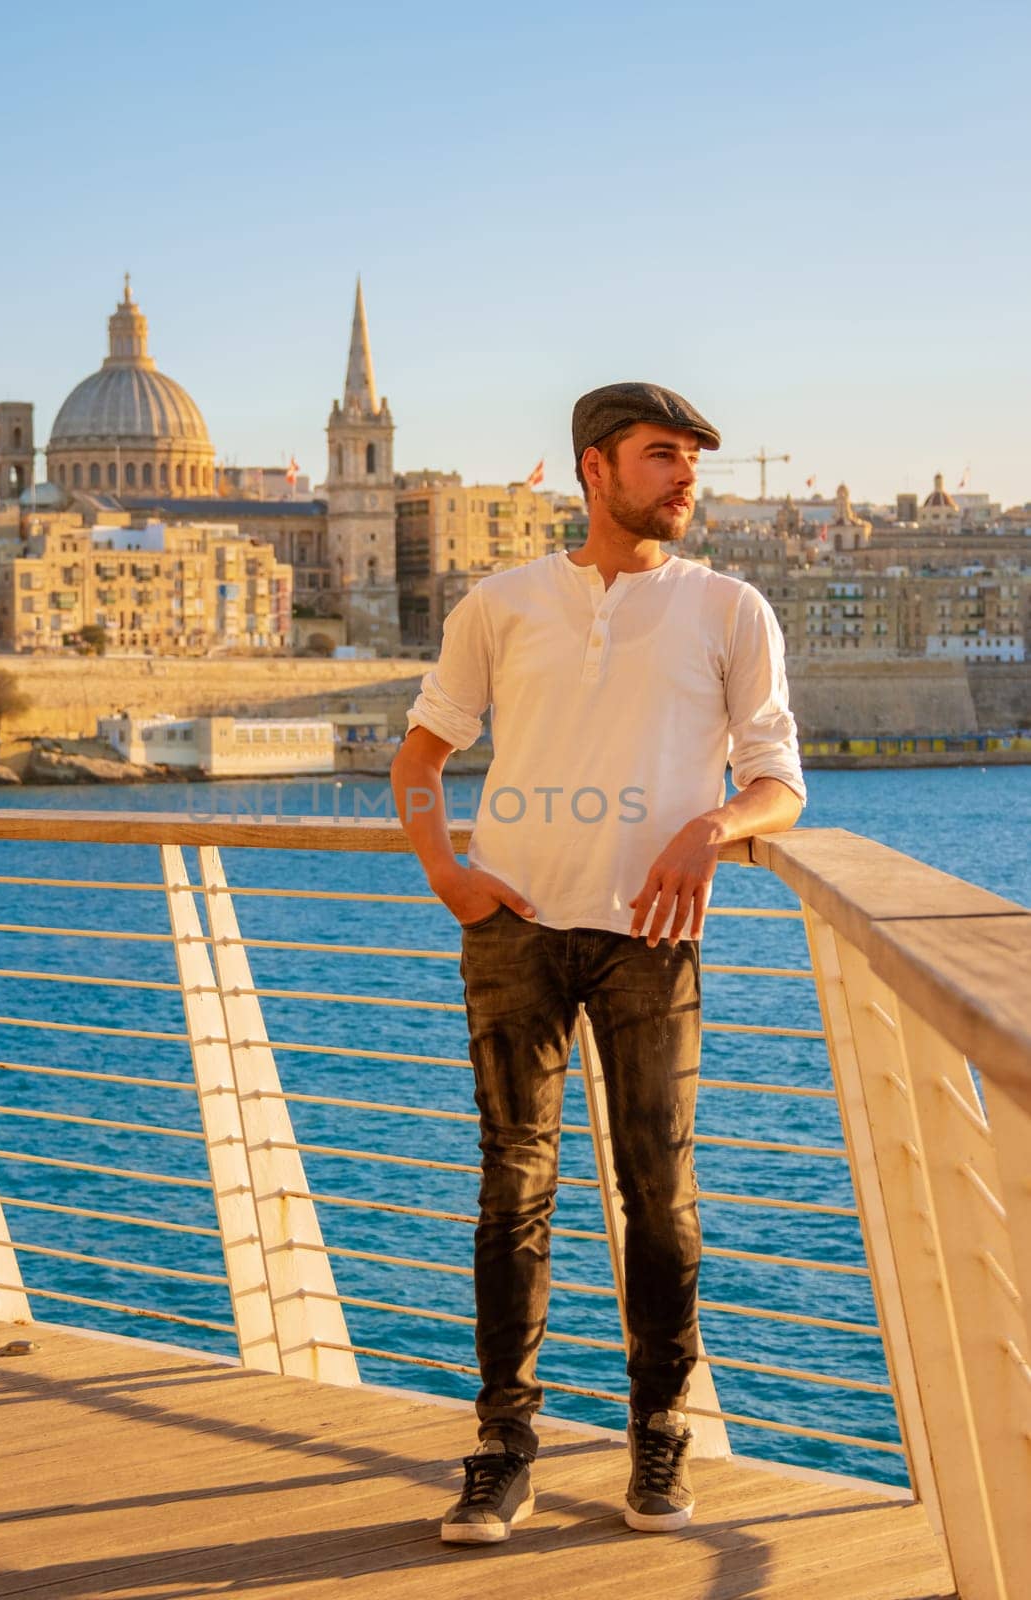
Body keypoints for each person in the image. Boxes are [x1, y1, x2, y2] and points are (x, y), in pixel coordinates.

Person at [390, 382, 806, 1545]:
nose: (685, 479)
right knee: (511, 1192)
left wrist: (712, 826)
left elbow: (782, 780)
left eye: (690, 462)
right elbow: (419, 758)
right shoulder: (502, 602)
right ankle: (500, 1447)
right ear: (595, 467)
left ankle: (659, 1434)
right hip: (513, 929)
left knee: (659, 1198)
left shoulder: (731, 608)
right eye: (661, 456)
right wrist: (448, 875)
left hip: (650, 939)